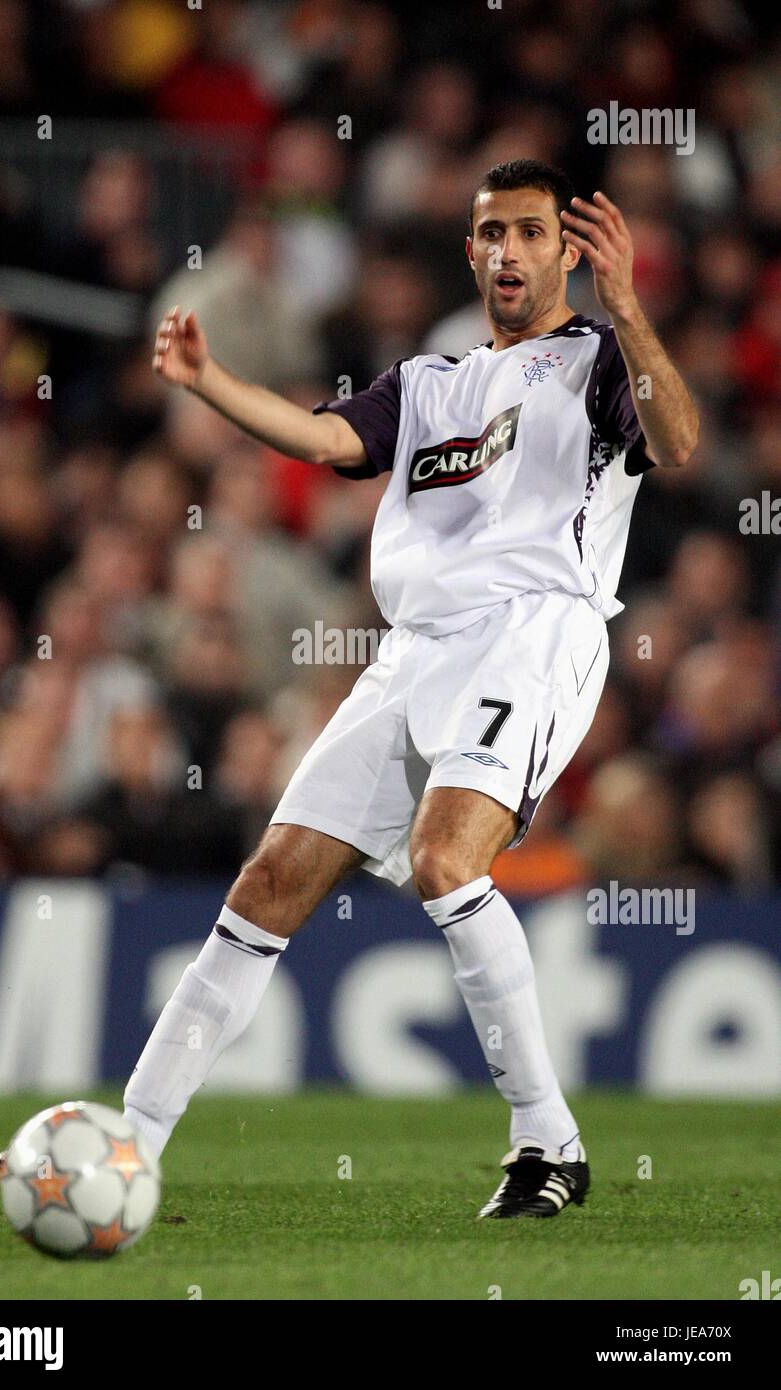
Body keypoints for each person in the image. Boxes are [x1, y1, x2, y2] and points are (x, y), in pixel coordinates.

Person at [123, 159, 698, 1219]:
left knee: (443, 858)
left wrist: (627, 309)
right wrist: (207, 383)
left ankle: (546, 1141)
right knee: (268, 880)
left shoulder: (599, 360)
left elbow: (677, 441)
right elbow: (324, 436)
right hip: (414, 648)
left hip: (533, 632)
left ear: (566, 252)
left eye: (532, 233)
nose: (510, 252)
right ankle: (130, 1143)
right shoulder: (426, 383)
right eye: (493, 235)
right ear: (470, 252)